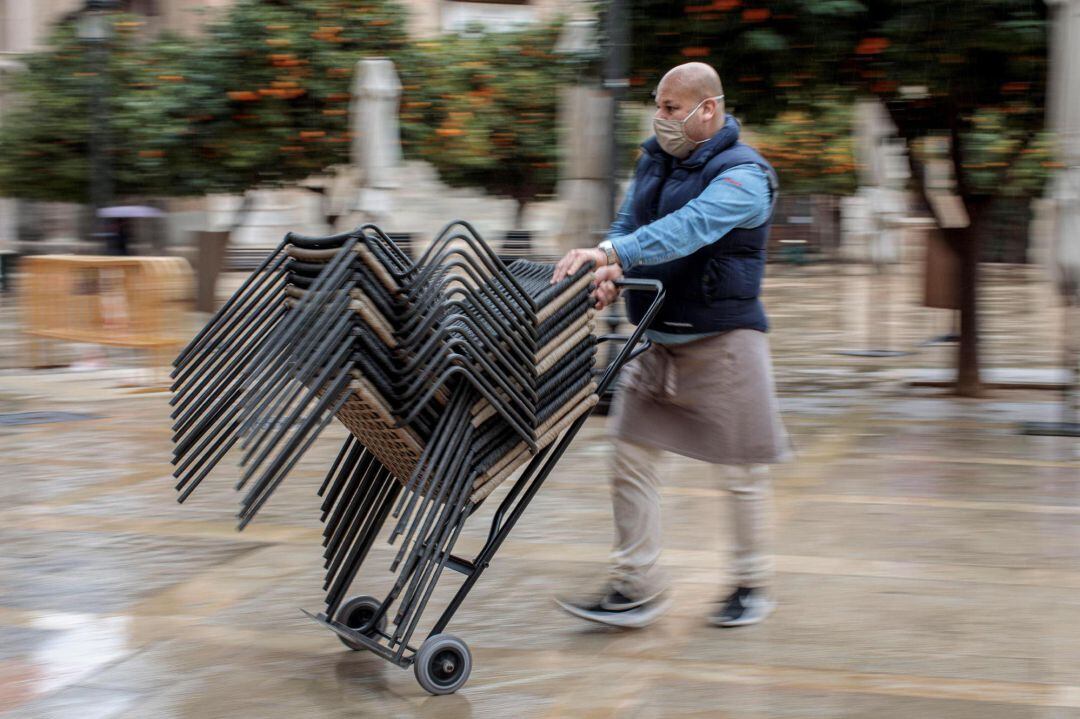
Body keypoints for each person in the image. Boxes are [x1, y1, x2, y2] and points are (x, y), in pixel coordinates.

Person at [550, 62, 790, 629]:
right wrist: (612, 267)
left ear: (708, 110)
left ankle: (750, 584)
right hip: (656, 340)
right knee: (629, 453)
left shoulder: (745, 175)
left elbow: (690, 227)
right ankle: (636, 588)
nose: (659, 117)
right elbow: (630, 222)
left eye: (670, 107)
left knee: (742, 470)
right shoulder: (655, 160)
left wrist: (612, 255)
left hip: (725, 342)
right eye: (658, 105)